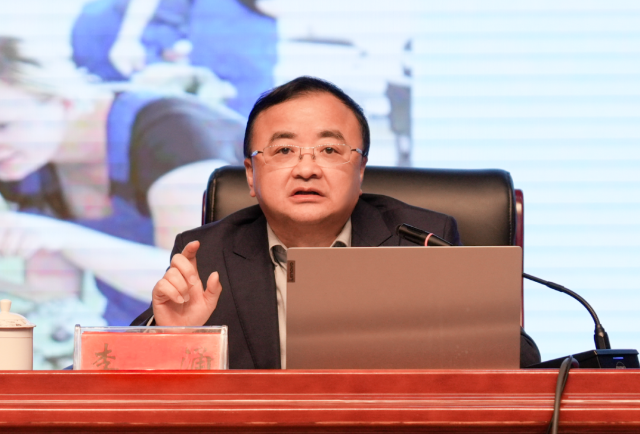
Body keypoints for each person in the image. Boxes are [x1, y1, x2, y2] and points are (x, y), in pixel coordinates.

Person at [131, 76, 541, 368]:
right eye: (284, 150)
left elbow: (522, 361)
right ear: (251, 176)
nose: (306, 169)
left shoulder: (420, 240)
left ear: (360, 171)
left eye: (329, 150)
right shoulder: (207, 252)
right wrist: (169, 339)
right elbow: (125, 375)